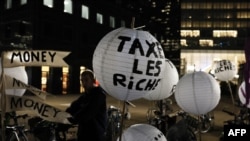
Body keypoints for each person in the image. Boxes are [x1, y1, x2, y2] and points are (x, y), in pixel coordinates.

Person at [65, 69, 107, 141]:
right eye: (82, 80)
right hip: (84, 134)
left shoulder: (99, 95)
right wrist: (62, 115)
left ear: (93, 80)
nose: (84, 83)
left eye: (86, 80)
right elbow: (74, 107)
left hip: (95, 135)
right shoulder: (85, 96)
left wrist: (72, 119)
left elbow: (88, 112)